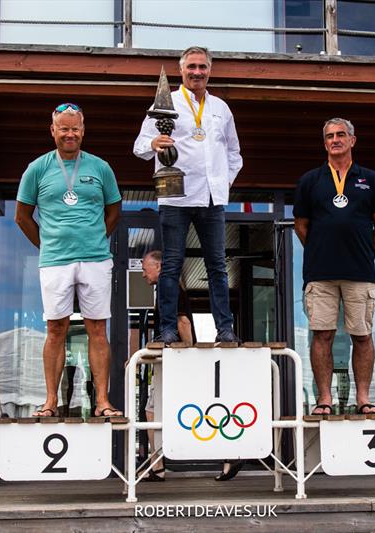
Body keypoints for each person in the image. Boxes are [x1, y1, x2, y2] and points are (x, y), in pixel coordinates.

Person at [15, 103, 123, 418]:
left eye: (75, 128)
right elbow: (23, 217)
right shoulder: (37, 169)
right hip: (55, 261)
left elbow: (114, 210)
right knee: (55, 328)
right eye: (64, 128)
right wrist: (47, 244)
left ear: (83, 131)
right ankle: (50, 401)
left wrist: (96, 238)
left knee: (97, 328)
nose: (70, 134)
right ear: (53, 131)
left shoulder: (101, 167)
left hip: (95, 259)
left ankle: (102, 401)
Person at [133, 46, 243, 346]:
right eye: (191, 66)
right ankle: (167, 328)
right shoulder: (165, 103)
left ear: (210, 70)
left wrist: (223, 183)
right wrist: (154, 142)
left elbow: (234, 154)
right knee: (171, 265)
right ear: (181, 70)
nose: (197, 72)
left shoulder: (221, 107)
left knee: (217, 266)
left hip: (211, 198)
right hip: (175, 197)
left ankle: (225, 329)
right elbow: (139, 146)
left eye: (202, 67)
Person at [293, 118, 375, 416]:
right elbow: (301, 226)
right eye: (330, 137)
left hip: (359, 273)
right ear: (325, 144)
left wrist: (361, 253)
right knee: (322, 334)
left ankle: (363, 399)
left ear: (352, 140)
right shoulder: (310, 180)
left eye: (341, 135)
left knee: (362, 335)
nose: (335, 140)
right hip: (320, 274)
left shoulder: (371, 179)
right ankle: (324, 399)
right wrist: (324, 250)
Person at [139, 250, 196, 481]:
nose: (143, 274)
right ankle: (157, 464)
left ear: (159, 267)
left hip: (176, 365)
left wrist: (189, 352)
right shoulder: (169, 287)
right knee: (153, 412)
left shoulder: (167, 287)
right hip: (172, 364)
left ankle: (230, 456)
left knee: (161, 412)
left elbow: (183, 322)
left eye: (145, 269)